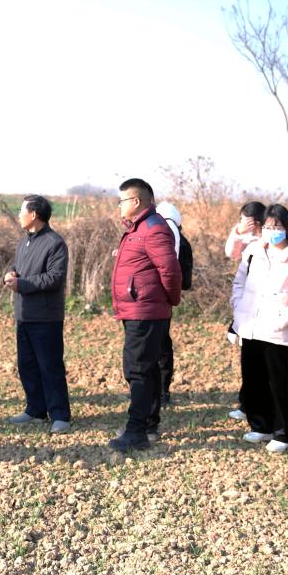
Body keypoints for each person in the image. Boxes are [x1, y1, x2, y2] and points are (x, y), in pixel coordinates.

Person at [230, 204, 288, 453]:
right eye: (267, 226)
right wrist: (238, 306)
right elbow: (239, 282)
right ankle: (260, 425)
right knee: (253, 378)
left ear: (287, 228)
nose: (272, 231)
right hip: (250, 325)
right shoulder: (253, 251)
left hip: (277, 330)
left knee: (278, 383)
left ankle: (283, 432)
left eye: (277, 226)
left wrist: (284, 320)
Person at [108, 178, 182, 451]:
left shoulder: (153, 228)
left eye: (122, 201)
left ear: (136, 201)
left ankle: (136, 431)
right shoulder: (137, 228)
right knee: (146, 369)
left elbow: (170, 270)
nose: (119, 206)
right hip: (138, 308)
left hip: (145, 311)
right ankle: (148, 424)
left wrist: (169, 300)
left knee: (138, 370)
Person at [3, 195, 72, 433]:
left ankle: (60, 415)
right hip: (24, 314)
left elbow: (54, 278)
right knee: (27, 366)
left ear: (33, 215)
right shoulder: (24, 242)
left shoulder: (55, 243)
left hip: (46, 317)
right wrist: (10, 273)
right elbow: (18, 267)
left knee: (50, 367)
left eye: (21, 211)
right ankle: (35, 409)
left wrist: (21, 284)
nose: (19, 215)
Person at [149, 201, 194, 407]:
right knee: (161, 344)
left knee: (158, 346)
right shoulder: (177, 234)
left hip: (157, 298)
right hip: (163, 299)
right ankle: (161, 390)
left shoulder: (164, 230)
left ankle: (160, 390)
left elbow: (168, 268)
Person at [226, 200, 267, 421]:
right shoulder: (246, 239)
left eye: (243, 219)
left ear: (255, 221)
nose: (240, 222)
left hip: (263, 309)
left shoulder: (268, 242)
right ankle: (246, 404)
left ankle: (258, 406)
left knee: (260, 362)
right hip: (245, 305)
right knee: (248, 359)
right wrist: (238, 232)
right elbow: (230, 253)